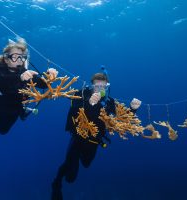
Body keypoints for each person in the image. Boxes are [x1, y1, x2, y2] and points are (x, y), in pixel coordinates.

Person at [51, 72, 141, 200]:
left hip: (94, 141)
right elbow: (73, 110)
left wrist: (133, 109)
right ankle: (56, 183)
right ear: (91, 86)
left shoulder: (109, 102)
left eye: (103, 87)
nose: (100, 89)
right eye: (97, 86)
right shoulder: (81, 94)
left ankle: (72, 167)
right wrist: (89, 103)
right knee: (70, 175)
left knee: (86, 164)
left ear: (107, 87)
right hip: (78, 138)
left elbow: (122, 119)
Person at [0, 38, 58, 134]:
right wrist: (20, 78)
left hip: (12, 110)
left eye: (22, 57)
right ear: (6, 59)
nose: (19, 60)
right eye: (14, 57)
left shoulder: (26, 73)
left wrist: (49, 76)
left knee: (2, 131)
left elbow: (42, 84)